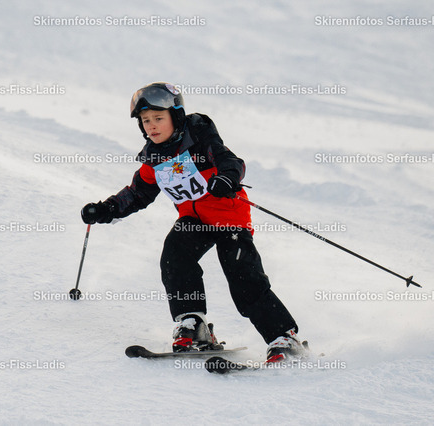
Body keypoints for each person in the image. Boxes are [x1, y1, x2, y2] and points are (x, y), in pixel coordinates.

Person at [82, 82, 303, 363]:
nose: (152, 126)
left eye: (158, 118)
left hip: (228, 218)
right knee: (175, 256)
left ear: (176, 117)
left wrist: (226, 178)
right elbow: (137, 194)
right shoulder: (154, 159)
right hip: (194, 220)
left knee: (242, 275)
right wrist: (106, 209)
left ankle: (283, 337)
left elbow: (231, 161)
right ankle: (193, 323)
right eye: (146, 121)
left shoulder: (199, 139)